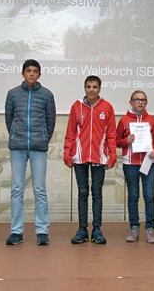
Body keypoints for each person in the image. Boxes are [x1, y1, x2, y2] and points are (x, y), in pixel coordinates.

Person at [5, 59, 56, 246]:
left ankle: (42, 231)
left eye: (35, 71)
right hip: (18, 147)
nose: (31, 74)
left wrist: (43, 138)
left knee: (40, 190)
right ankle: (16, 231)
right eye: (28, 71)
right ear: (23, 73)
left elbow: (51, 122)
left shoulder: (47, 95)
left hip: (38, 148)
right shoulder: (12, 94)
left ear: (39, 74)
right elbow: (9, 119)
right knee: (17, 189)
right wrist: (16, 135)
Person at [64, 75, 117, 245]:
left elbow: (111, 134)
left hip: (99, 156)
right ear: (84, 88)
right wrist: (67, 152)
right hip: (79, 156)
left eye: (95, 86)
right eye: (88, 86)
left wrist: (113, 155)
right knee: (82, 192)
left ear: (99, 89)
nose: (91, 89)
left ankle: (97, 229)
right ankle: (81, 229)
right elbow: (71, 132)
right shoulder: (76, 107)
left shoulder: (107, 107)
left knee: (97, 192)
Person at [116, 90, 154, 243]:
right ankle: (134, 227)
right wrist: (126, 140)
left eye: (143, 100)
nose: (140, 102)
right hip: (130, 163)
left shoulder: (152, 120)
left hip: (148, 162)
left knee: (149, 196)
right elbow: (116, 141)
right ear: (131, 102)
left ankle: (150, 228)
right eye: (137, 100)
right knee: (133, 196)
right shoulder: (124, 120)